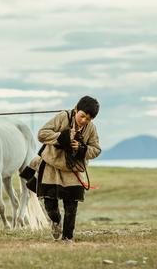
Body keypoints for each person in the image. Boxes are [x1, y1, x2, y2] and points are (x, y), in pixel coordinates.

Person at [21, 96, 101, 242]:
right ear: (76, 109)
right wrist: (63, 137)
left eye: (88, 119)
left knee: (71, 207)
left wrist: (82, 149)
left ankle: (67, 238)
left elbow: (96, 149)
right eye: (82, 116)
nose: (84, 120)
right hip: (51, 166)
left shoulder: (91, 128)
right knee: (50, 206)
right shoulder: (62, 117)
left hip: (73, 170)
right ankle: (55, 222)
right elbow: (41, 134)